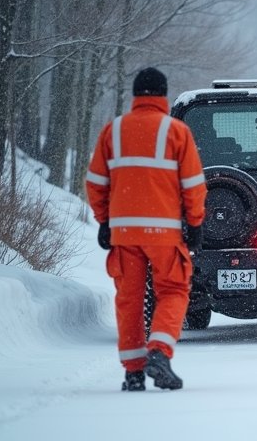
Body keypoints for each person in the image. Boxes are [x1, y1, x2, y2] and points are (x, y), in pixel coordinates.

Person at [86, 67, 207, 390]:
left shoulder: (113, 132)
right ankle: (159, 351)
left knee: (129, 300)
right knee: (173, 292)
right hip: (165, 234)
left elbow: (96, 182)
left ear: (136, 95)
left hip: (124, 234)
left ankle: (133, 372)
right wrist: (194, 222)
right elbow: (194, 184)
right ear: (163, 96)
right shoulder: (176, 132)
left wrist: (104, 221)